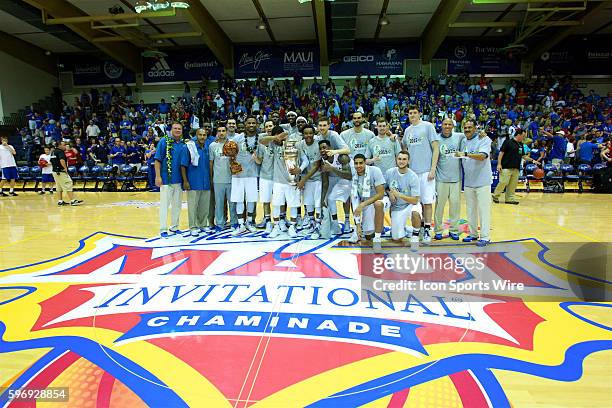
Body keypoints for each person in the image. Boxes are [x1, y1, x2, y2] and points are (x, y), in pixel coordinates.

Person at [261, 126, 308, 238]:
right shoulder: (272, 144)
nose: (279, 138)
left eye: (281, 136)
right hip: (277, 181)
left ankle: (292, 227)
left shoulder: (294, 145)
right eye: (277, 136)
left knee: (293, 205)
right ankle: (276, 226)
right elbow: (261, 141)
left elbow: (305, 160)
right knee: (276, 205)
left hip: (292, 181)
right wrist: (274, 137)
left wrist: (300, 169)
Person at [402, 105, 439, 243]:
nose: (412, 115)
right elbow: (404, 148)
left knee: (427, 201)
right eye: (410, 113)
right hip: (412, 173)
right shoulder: (407, 130)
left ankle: (428, 229)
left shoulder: (428, 126)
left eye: (415, 113)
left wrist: (433, 168)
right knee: (416, 203)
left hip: (426, 172)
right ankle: (421, 226)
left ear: (420, 114)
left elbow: (436, 148)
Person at [456, 120, 491, 246]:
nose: (467, 129)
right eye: (465, 127)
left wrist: (466, 154)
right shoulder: (463, 141)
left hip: (483, 181)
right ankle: (473, 234)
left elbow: (482, 156)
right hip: (469, 182)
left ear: (475, 128)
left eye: (470, 127)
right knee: (470, 210)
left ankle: (486, 237)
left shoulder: (484, 139)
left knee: (483, 210)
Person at [154, 122, 188, 238]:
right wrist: (158, 176)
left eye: (179, 129)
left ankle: (174, 227)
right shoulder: (164, 141)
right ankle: (163, 229)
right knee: (164, 205)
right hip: (166, 180)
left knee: (177, 206)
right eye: (175, 128)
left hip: (179, 180)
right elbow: (157, 160)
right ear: (171, 130)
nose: (177, 130)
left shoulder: (184, 144)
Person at [434, 118, 465, 240]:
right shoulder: (436, 139)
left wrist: (481, 134)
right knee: (439, 207)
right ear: (441, 125)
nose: (447, 126)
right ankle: (437, 230)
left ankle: (454, 230)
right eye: (445, 124)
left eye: (449, 124)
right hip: (441, 179)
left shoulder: (459, 136)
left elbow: (472, 135)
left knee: (455, 207)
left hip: (456, 179)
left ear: (453, 126)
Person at [348, 154, 386, 253]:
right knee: (368, 235)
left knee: (378, 204)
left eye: (361, 163)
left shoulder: (375, 171)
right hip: (366, 203)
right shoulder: (354, 175)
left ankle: (377, 239)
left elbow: (381, 194)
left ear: (365, 163)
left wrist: (362, 205)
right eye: (356, 163)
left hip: (380, 200)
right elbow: (355, 200)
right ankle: (372, 228)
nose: (358, 165)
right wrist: (358, 225)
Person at [384, 151, 421, 247]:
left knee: (416, 212)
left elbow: (415, 200)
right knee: (396, 238)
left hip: (409, 205)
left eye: (404, 159)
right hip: (397, 207)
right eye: (399, 159)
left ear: (408, 161)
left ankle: (415, 235)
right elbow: (385, 187)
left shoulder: (413, 176)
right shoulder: (389, 172)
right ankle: (405, 229)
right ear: (396, 160)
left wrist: (399, 195)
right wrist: (389, 193)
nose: (401, 161)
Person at [230, 115, 260, 235]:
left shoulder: (260, 137)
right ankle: (241, 224)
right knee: (239, 200)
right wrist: (233, 165)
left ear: (257, 124)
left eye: (253, 123)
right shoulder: (237, 138)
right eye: (249, 123)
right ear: (245, 124)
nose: (251, 125)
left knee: (251, 200)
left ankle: (250, 222)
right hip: (238, 174)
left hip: (252, 174)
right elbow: (230, 154)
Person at [183, 128, 213, 237]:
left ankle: (203, 225)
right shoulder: (190, 147)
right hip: (193, 182)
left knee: (204, 207)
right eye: (200, 135)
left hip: (206, 183)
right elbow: (183, 165)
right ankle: (193, 227)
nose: (202, 137)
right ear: (196, 135)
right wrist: (185, 181)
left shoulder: (207, 148)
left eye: (204, 135)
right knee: (192, 206)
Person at [319, 139, 352, 235]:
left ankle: (347, 222)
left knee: (346, 198)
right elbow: (325, 182)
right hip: (332, 179)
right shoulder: (322, 161)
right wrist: (322, 199)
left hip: (345, 178)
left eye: (324, 148)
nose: (322, 150)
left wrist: (332, 168)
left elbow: (349, 175)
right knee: (329, 200)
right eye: (320, 149)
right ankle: (335, 223)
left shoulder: (342, 157)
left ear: (331, 148)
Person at [209, 124, 237, 231]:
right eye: (219, 131)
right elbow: (211, 163)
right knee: (219, 203)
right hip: (218, 179)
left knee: (232, 203)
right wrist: (211, 178)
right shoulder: (212, 146)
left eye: (223, 130)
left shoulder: (232, 144)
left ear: (226, 132)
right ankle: (220, 223)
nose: (221, 133)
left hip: (231, 179)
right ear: (217, 132)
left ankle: (234, 222)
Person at [296, 124, 322, 238]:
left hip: (317, 178)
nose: (308, 135)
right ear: (302, 134)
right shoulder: (299, 145)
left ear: (314, 133)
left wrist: (303, 179)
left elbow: (316, 166)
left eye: (310, 133)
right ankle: (312, 224)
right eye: (306, 133)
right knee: (308, 203)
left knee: (317, 204)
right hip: (306, 180)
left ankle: (318, 226)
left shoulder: (318, 144)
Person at [493, 128, 526, 205]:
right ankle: (495, 195)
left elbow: (523, 155)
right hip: (506, 166)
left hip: (516, 167)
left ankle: (509, 198)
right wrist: (499, 164)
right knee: (503, 182)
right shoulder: (508, 142)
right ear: (519, 135)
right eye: (523, 136)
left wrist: (533, 160)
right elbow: (501, 153)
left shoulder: (521, 144)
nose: (524, 138)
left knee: (512, 185)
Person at [255, 120, 275, 232]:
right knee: (265, 200)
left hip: (277, 176)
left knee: (278, 200)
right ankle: (267, 220)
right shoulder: (261, 144)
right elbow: (260, 161)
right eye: (266, 126)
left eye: (270, 126)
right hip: (264, 176)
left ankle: (278, 220)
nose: (269, 128)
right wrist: (255, 158)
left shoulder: (279, 140)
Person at [49, 141, 83, 206]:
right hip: (60, 171)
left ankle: (60, 201)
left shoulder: (53, 152)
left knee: (59, 186)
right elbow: (62, 160)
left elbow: (51, 161)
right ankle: (72, 200)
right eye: (64, 145)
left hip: (55, 171)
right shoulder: (60, 151)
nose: (65, 147)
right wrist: (65, 168)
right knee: (68, 183)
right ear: (59, 146)